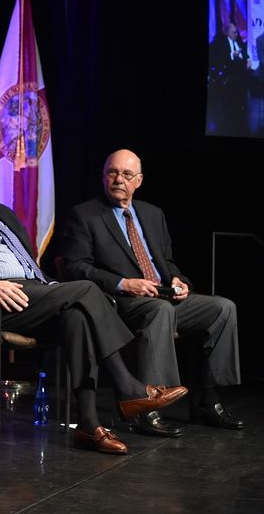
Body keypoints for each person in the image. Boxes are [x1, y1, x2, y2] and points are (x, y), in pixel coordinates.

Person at [0, 148, 190, 451]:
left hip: (34, 293)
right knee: (86, 290)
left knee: (76, 317)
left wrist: (51, 288)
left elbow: (30, 264)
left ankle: (88, 424)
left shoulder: (3, 213)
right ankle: (128, 387)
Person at [60, 149, 243, 431]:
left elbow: (166, 262)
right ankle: (147, 407)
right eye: (112, 173)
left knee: (223, 308)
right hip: (120, 301)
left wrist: (178, 281)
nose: (118, 180)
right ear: (103, 176)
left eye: (126, 174)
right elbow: (76, 267)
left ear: (139, 180)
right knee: (160, 310)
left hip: (162, 294)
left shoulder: (152, 214)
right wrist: (124, 283)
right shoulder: (84, 215)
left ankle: (209, 400)